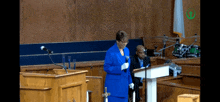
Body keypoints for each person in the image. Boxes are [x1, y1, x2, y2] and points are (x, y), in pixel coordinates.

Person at [104, 30, 134, 102]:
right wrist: (120, 68)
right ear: (118, 41)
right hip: (114, 87)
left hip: (124, 86)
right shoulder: (110, 52)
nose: (125, 44)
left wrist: (130, 81)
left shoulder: (127, 50)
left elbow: (128, 69)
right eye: (123, 43)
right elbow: (106, 67)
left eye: (126, 42)